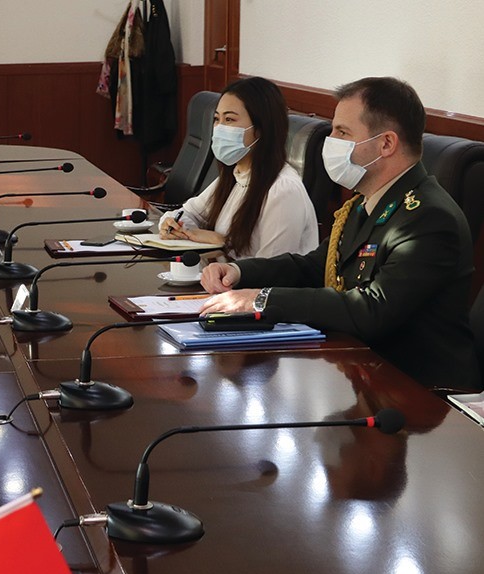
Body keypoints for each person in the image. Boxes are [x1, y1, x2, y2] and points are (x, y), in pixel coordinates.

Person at [199, 77, 479, 390]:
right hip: (365, 370)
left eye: (342, 133)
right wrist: (240, 272)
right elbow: (315, 266)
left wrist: (262, 299)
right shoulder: (364, 203)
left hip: (421, 392)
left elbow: (372, 309)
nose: (330, 141)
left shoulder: (428, 217)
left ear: (387, 144)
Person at [158, 76, 318, 258]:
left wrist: (223, 242)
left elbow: (272, 268)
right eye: (216, 119)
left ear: (260, 129)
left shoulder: (283, 190)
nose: (219, 128)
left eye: (229, 119)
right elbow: (188, 212)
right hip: (218, 271)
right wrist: (175, 225)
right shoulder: (237, 174)